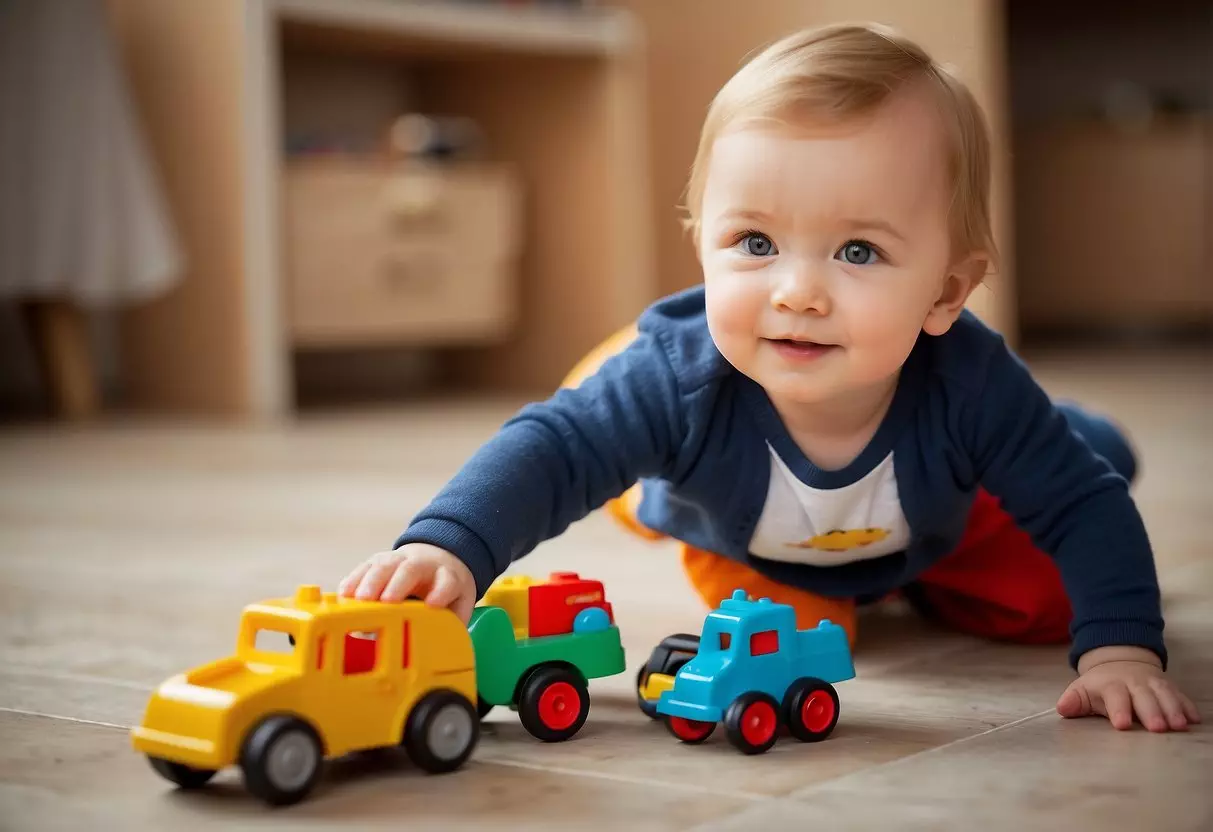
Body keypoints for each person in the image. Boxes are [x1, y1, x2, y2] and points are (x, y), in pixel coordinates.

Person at [339, 23, 1200, 732]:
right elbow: (548, 449)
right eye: (754, 244)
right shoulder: (682, 382)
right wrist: (447, 543)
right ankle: (635, 467)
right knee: (792, 633)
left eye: (857, 251)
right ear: (701, 243)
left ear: (945, 292)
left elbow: (1081, 508)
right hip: (741, 532)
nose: (796, 293)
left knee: (1058, 570)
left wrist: (1119, 648)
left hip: (934, 514)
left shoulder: (967, 385)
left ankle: (1061, 444)